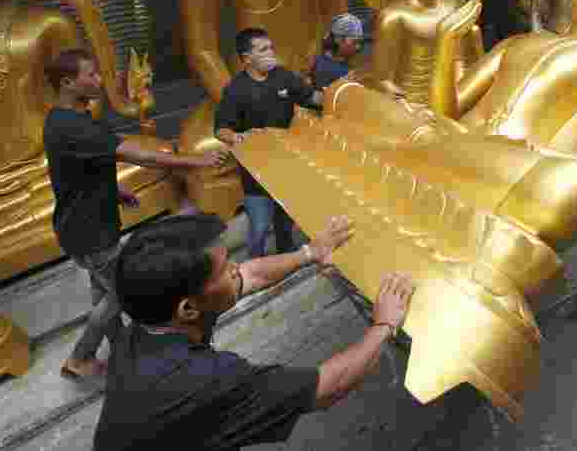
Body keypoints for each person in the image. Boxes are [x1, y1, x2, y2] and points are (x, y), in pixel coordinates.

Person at [93, 215, 415, 450]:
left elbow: (251, 274)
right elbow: (329, 386)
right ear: (188, 309)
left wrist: (309, 253)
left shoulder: (144, 324)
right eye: (224, 268)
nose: (236, 268)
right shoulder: (204, 381)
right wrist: (383, 324)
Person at [44, 49, 228, 380]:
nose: (99, 81)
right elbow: (144, 158)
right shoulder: (73, 126)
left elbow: (76, 169)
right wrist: (194, 161)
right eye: (91, 75)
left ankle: (118, 349)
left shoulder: (62, 119)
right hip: (92, 233)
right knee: (121, 293)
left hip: (77, 229)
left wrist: (114, 191)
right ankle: (80, 357)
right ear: (68, 83)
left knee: (103, 293)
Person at [216, 28, 324, 258]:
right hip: (256, 173)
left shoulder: (283, 76)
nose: (271, 52)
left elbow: (313, 97)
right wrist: (237, 137)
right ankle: (254, 267)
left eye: (271, 47)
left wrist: (340, 95)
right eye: (263, 49)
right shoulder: (236, 90)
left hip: (285, 165)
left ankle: (287, 260)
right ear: (247, 58)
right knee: (260, 228)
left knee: (286, 222)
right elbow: (221, 129)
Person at [310, 13, 364, 91]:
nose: (358, 47)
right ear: (339, 40)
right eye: (355, 42)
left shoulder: (323, 60)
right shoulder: (324, 68)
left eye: (359, 42)